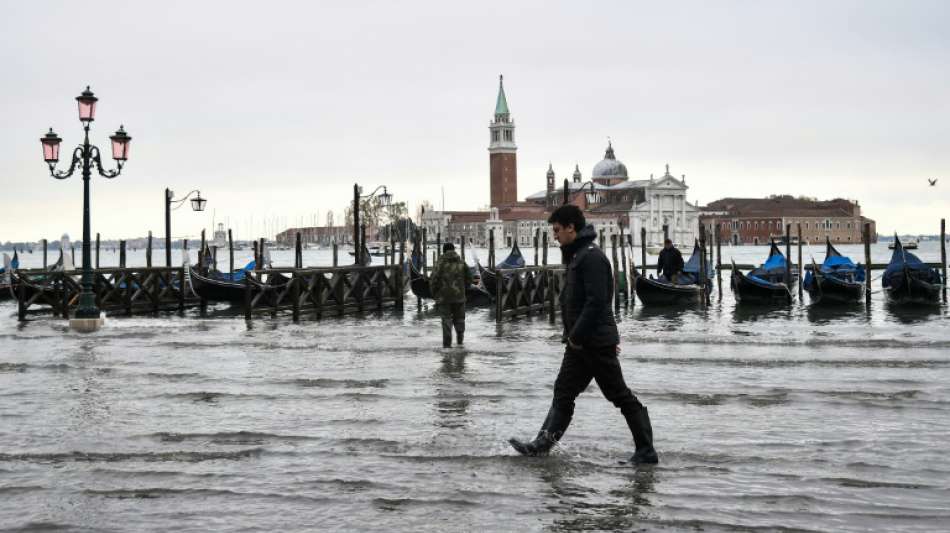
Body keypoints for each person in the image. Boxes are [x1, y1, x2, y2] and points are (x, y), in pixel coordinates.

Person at [509, 205, 658, 464]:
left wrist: (577, 336)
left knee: (619, 395)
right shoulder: (579, 255)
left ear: (571, 228)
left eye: (557, 230)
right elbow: (577, 302)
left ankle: (646, 451)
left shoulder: (591, 257)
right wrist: (573, 338)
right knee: (563, 392)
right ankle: (541, 445)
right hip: (580, 344)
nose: (554, 236)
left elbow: (597, 302)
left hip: (593, 343)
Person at [430, 242, 473, 348]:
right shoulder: (461, 262)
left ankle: (447, 348)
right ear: (454, 250)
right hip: (459, 297)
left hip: (444, 298)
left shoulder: (440, 263)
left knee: (446, 321)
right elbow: (470, 278)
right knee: (460, 320)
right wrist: (463, 290)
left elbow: (433, 280)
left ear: (444, 251)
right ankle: (460, 344)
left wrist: (434, 295)